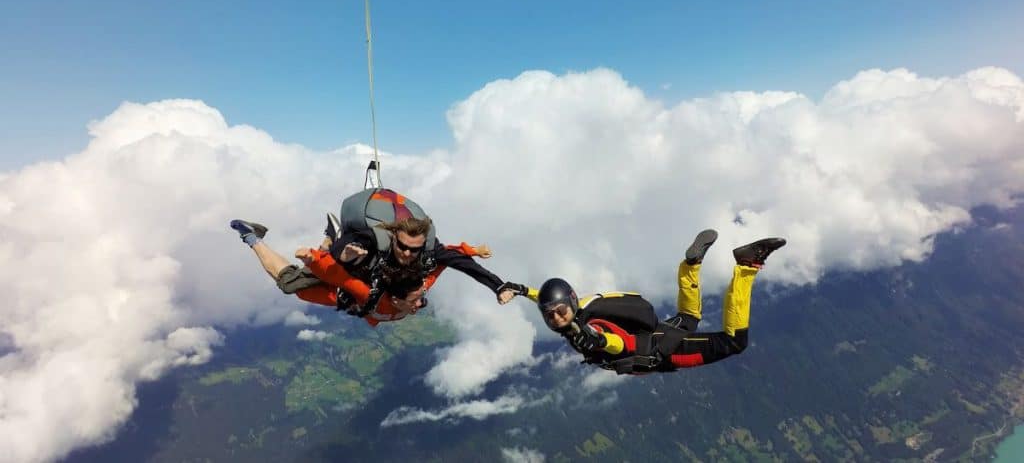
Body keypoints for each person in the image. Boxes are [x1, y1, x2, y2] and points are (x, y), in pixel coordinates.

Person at [503, 230, 786, 374]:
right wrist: (521, 290)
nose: (556, 318)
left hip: (663, 352)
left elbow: (617, 342)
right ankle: (691, 265)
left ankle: (746, 266)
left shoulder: (586, 331)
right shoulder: (582, 306)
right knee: (688, 317)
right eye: (549, 316)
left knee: (735, 343)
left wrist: (600, 342)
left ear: (571, 302)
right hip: (654, 333)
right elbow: (546, 299)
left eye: (560, 312)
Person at [230, 210, 516, 326]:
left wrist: (494, 281)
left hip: (357, 271)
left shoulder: (421, 280)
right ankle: (250, 236)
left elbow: (453, 261)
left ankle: (333, 236)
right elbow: (338, 276)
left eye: (421, 299)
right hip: (342, 281)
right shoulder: (369, 294)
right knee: (290, 285)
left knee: (346, 257)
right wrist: (314, 259)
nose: (421, 303)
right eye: (418, 301)